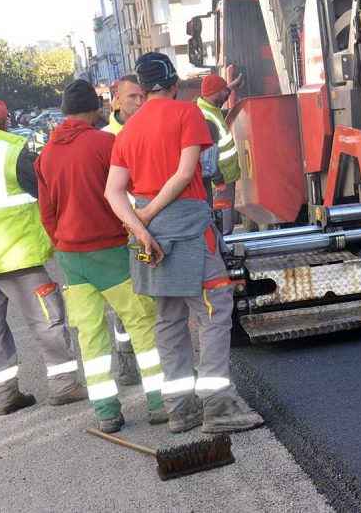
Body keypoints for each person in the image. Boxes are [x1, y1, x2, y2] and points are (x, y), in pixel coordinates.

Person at [106, 52, 263, 435]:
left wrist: (141, 228)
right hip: (189, 231)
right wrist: (146, 218)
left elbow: (113, 192)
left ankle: (180, 410)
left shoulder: (126, 131)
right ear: (174, 84)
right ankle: (218, 407)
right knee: (214, 311)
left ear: (140, 90)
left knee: (168, 321)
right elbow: (184, 174)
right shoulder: (187, 114)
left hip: (152, 242)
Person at [36, 80, 167, 432]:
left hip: (71, 256)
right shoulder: (104, 143)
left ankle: (107, 412)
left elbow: (47, 214)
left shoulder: (46, 154)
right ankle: (159, 402)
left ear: (64, 112)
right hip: (107, 248)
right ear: (96, 110)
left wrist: (64, 242)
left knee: (90, 334)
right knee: (141, 322)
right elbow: (130, 192)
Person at [0, 98, 87, 415]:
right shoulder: (13, 154)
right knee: (47, 318)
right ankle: (63, 386)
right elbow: (46, 193)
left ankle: (4, 396)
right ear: (5, 123)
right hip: (17, 256)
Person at [102, 72, 146, 385]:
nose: (139, 102)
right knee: (124, 304)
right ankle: (127, 358)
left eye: (142, 96)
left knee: (162, 298)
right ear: (118, 98)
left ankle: (170, 361)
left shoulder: (151, 127)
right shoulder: (107, 136)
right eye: (132, 97)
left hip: (154, 222)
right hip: (123, 229)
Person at [196, 73, 242, 233]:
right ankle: (224, 252)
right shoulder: (206, 117)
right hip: (220, 182)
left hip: (224, 178)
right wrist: (219, 181)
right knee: (223, 223)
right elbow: (207, 157)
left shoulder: (209, 108)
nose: (226, 95)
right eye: (224, 91)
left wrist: (231, 86)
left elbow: (220, 95)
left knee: (223, 218)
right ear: (215, 93)